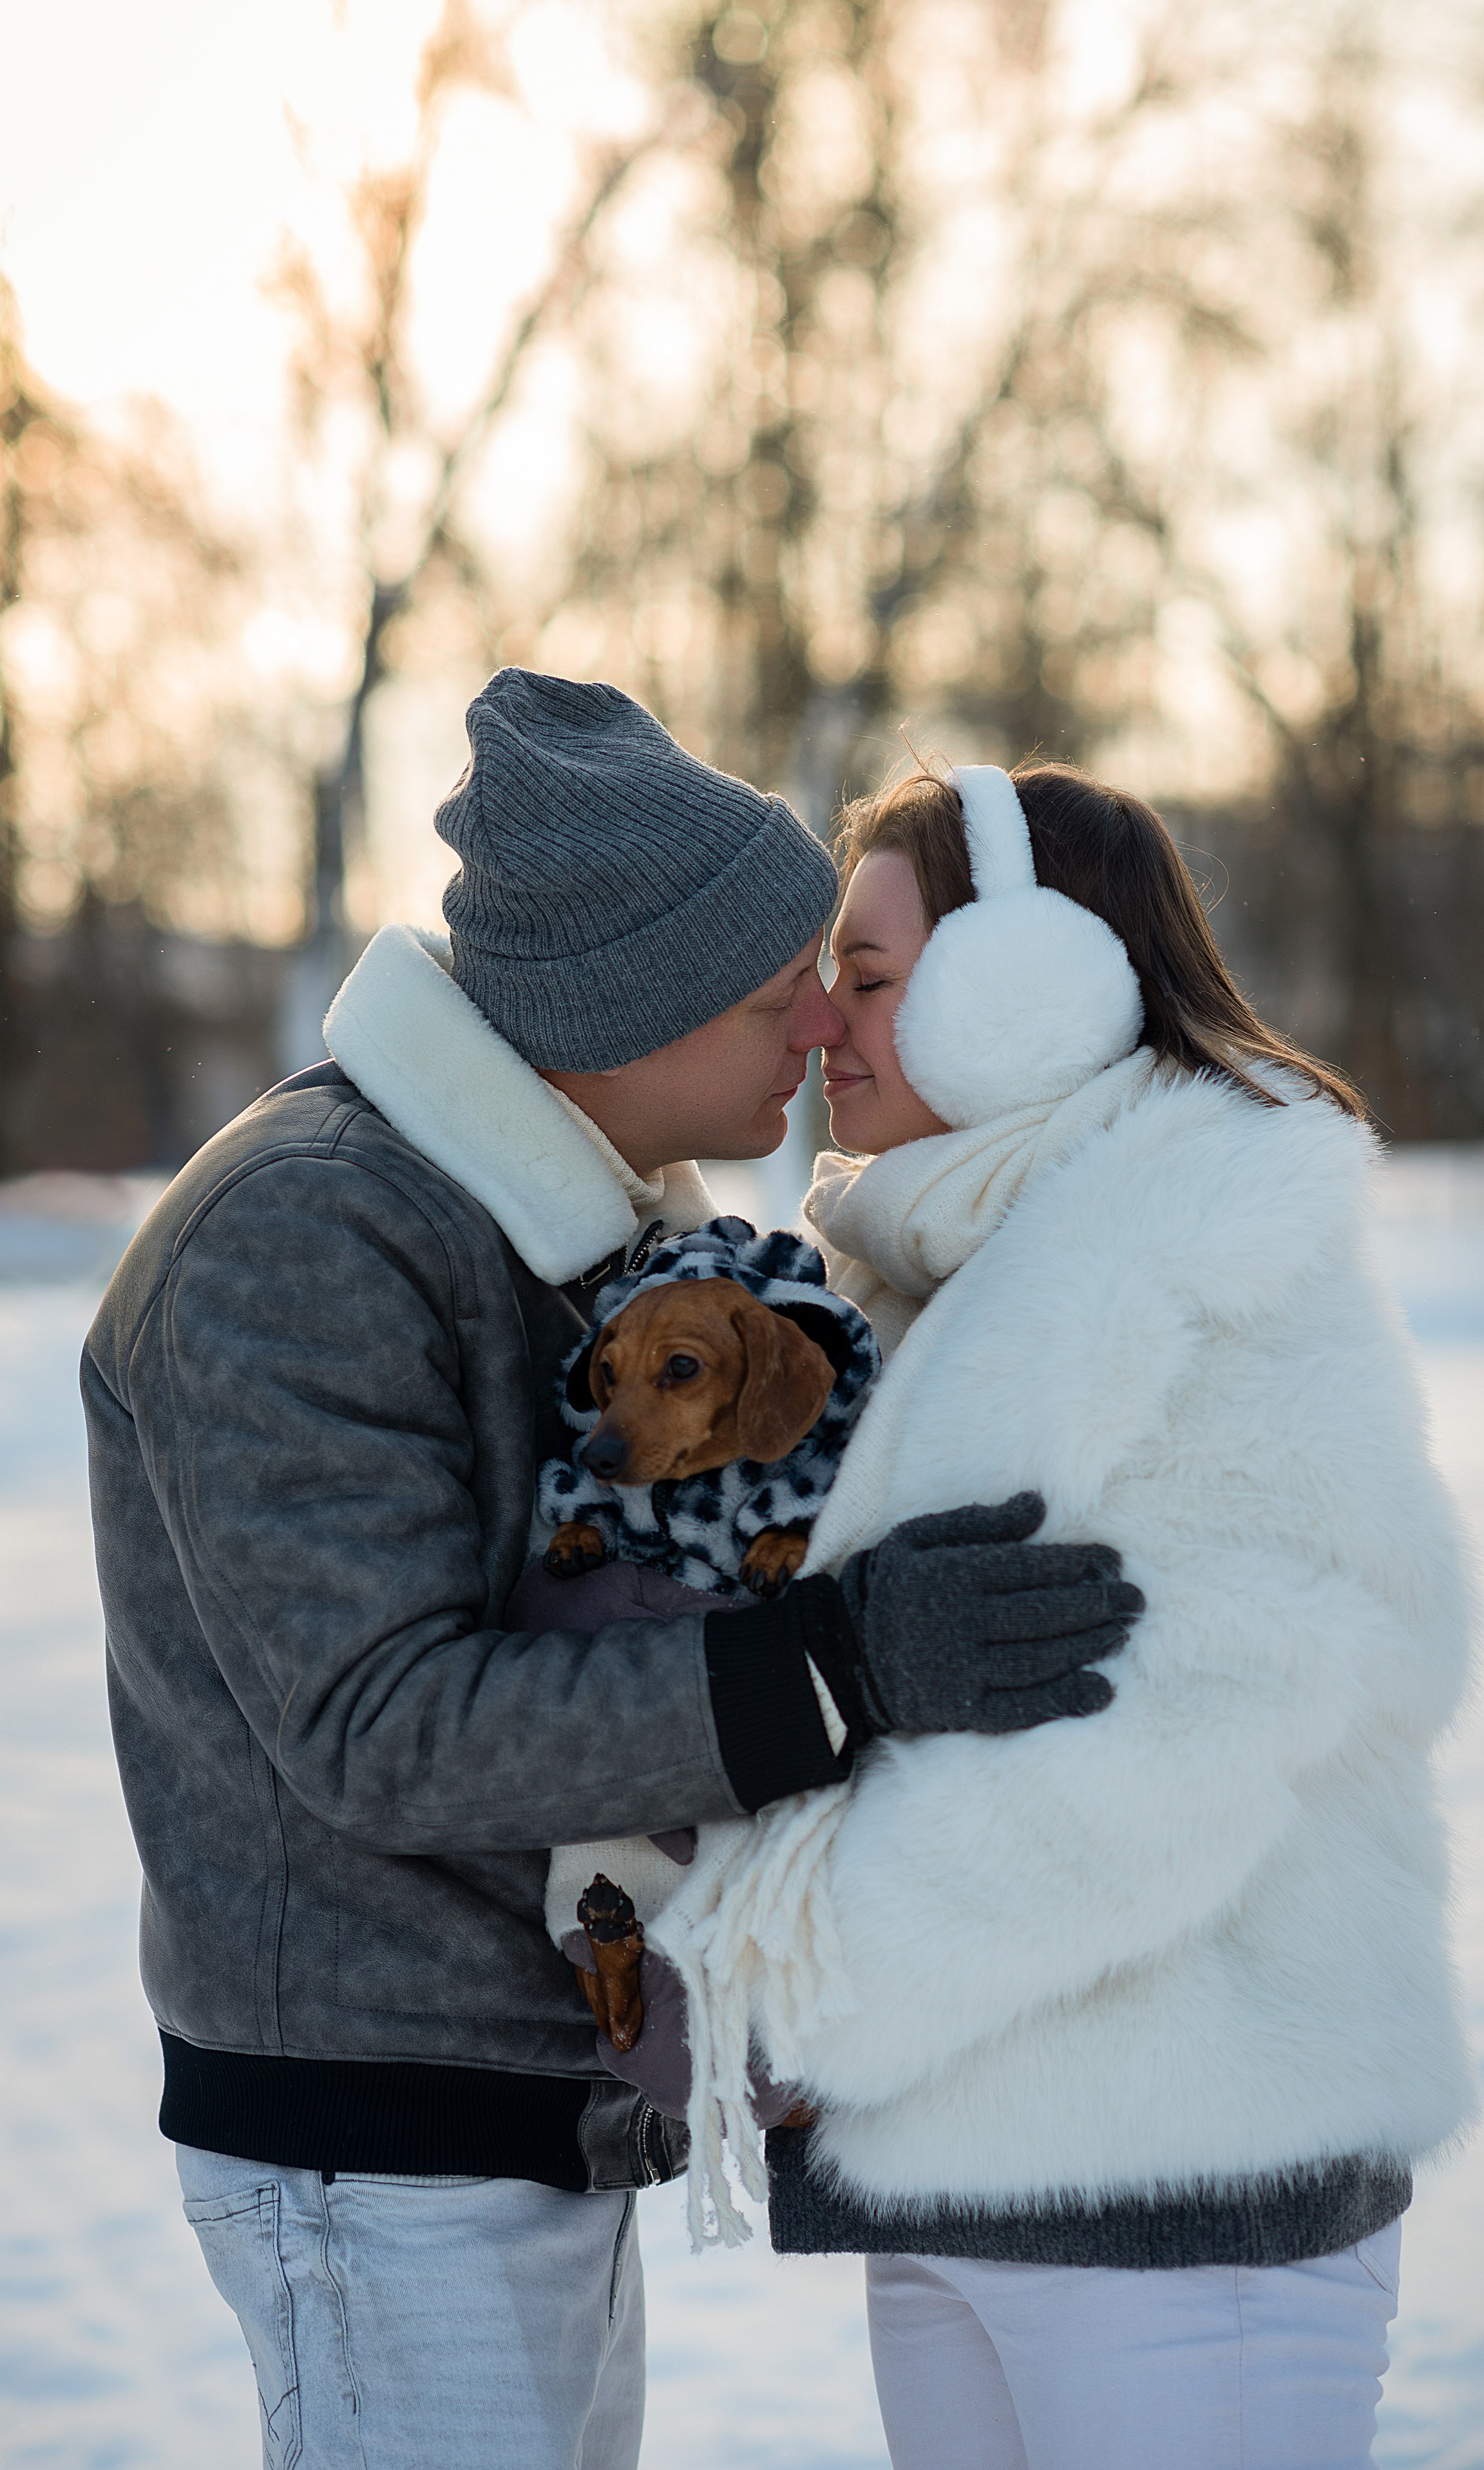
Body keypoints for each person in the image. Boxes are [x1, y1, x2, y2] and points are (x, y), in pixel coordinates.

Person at [81, 675, 1141, 2470]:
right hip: (379, 2148)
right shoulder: (309, 1231)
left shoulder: (572, 1227)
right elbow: (383, 1724)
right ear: (614, 1011)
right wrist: (837, 1670)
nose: (823, 1018)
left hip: (515, 2112)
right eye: (768, 989)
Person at [656, 757, 1476, 2470]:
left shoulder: (1202, 1250)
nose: (823, 1023)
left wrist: (816, 1987)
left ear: (1024, 990)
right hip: (959, 2175)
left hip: (1190, 2197)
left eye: (870, 978)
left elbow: (1201, 1722)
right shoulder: (933, 1278)